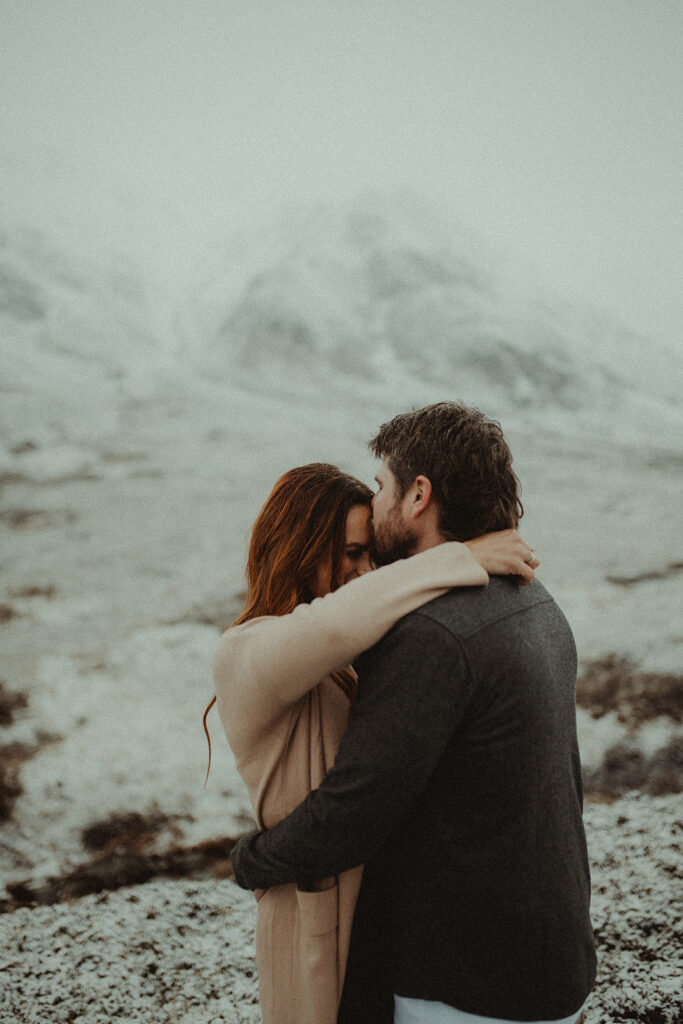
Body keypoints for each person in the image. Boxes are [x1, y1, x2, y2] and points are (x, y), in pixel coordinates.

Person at [230, 404, 596, 1024]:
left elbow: (353, 813)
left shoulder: (432, 634)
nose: (375, 509)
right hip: (551, 957)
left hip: (470, 983)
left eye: (380, 487)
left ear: (418, 494)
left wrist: (251, 858)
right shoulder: (535, 600)